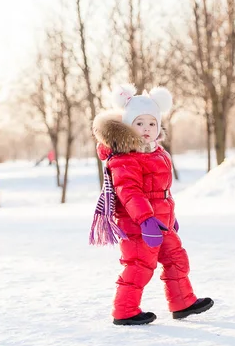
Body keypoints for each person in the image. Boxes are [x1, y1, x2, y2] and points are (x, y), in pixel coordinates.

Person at [91, 84, 213, 326]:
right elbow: (130, 193)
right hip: (138, 224)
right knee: (139, 266)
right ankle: (124, 310)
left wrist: (170, 216)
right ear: (128, 125)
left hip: (162, 222)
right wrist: (145, 219)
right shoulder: (124, 158)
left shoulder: (159, 153)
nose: (146, 129)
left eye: (151, 123)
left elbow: (162, 193)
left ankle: (182, 302)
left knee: (177, 259)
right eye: (139, 123)